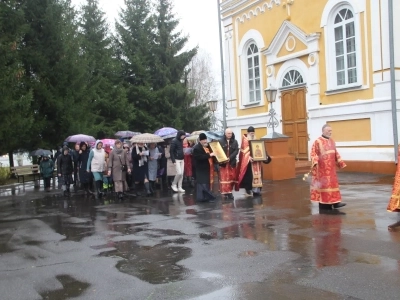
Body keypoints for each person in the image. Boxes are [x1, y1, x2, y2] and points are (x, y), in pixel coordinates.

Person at [310, 124, 347, 211]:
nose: (330, 132)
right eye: (328, 131)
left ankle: (336, 202)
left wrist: (340, 162)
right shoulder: (317, 141)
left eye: (331, 131)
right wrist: (315, 161)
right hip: (322, 169)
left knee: (333, 185)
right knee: (324, 186)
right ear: (323, 131)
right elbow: (313, 153)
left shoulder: (332, 141)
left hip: (331, 169)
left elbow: (335, 153)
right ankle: (324, 205)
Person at [235, 126, 271, 196]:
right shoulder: (245, 142)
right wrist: (248, 158)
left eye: (253, 133)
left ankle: (257, 190)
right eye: (251, 133)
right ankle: (248, 190)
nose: (252, 134)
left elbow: (261, 150)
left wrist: (266, 156)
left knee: (258, 176)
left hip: (257, 163)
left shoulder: (256, 141)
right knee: (249, 178)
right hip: (249, 164)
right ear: (248, 133)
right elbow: (243, 154)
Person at [193, 133, 217, 202]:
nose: (205, 141)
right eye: (203, 140)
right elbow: (199, 157)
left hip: (206, 168)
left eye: (205, 139)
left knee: (206, 183)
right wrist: (209, 155)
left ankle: (206, 197)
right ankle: (203, 198)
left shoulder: (207, 147)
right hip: (201, 169)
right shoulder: (197, 148)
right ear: (200, 140)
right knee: (202, 184)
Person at [219, 128, 239, 200]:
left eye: (231, 133)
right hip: (223, 163)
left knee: (232, 177)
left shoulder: (235, 142)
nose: (230, 135)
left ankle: (230, 191)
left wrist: (230, 158)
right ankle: (226, 193)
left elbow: (236, 151)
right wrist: (222, 159)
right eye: (228, 133)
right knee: (224, 178)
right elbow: (218, 151)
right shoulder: (220, 141)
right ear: (225, 134)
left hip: (231, 162)